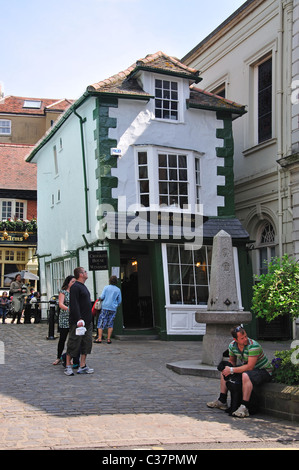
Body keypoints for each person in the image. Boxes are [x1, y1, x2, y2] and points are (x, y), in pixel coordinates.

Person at [207, 325, 273, 418]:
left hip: (263, 371)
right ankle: (222, 400)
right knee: (225, 371)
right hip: (249, 369)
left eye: (245, 336)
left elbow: (250, 367)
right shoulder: (232, 346)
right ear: (235, 339)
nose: (245, 339)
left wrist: (232, 370)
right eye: (242, 338)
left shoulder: (254, 345)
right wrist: (228, 369)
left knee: (246, 375)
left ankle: (244, 406)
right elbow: (232, 363)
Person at [64, 267, 94, 376]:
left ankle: (83, 365)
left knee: (86, 343)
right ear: (81, 274)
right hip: (78, 322)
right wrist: (78, 318)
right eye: (85, 271)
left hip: (87, 321)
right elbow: (74, 304)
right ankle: (68, 366)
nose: (86, 273)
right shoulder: (75, 287)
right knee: (73, 343)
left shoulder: (83, 286)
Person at [53, 276, 76, 365]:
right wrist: (69, 309)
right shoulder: (63, 292)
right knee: (63, 338)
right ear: (68, 283)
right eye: (72, 282)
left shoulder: (75, 292)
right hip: (64, 317)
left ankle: (70, 357)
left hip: (73, 318)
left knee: (72, 339)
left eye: (75, 282)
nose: (74, 283)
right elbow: (61, 304)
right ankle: (58, 357)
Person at [94, 275, 122, 344]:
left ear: (109, 281)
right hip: (113, 308)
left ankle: (99, 338)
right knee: (110, 323)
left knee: (101, 322)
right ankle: (108, 339)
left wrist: (100, 299)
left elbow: (102, 296)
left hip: (105, 307)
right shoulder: (118, 290)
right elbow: (119, 300)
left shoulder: (106, 288)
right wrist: (116, 305)